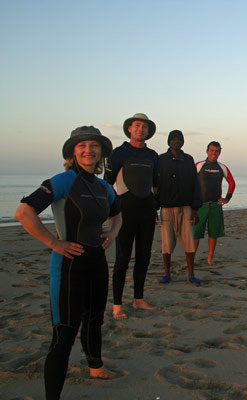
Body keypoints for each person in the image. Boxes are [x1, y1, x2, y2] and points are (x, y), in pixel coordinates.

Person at [14, 126, 121, 400]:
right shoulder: (62, 180)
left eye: (94, 145)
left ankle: (95, 367)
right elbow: (24, 212)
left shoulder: (103, 187)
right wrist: (54, 243)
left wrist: (112, 233)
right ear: (73, 151)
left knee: (95, 321)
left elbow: (118, 215)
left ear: (101, 153)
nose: (89, 150)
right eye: (82, 145)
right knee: (64, 335)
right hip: (68, 266)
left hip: (96, 264)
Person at [104, 113, 159, 320]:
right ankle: (117, 304)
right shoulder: (119, 153)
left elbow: (154, 186)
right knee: (122, 259)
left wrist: (155, 208)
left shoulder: (153, 155)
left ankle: (138, 300)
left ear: (148, 131)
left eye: (144, 127)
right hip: (124, 212)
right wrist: (111, 211)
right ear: (129, 129)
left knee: (144, 258)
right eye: (137, 126)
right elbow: (107, 184)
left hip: (146, 212)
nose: (140, 129)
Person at [157, 130, 202, 284]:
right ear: (169, 141)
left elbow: (196, 184)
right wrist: (154, 208)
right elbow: (155, 185)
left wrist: (196, 208)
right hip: (166, 209)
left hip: (186, 208)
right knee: (167, 244)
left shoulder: (188, 160)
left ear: (183, 142)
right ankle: (167, 273)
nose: (176, 141)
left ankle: (191, 274)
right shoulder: (161, 160)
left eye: (179, 139)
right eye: (173, 139)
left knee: (189, 243)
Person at [193, 141, 236, 265]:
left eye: (216, 151)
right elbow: (189, 182)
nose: (214, 153)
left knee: (213, 233)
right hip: (201, 206)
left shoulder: (222, 167)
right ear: (207, 151)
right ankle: (192, 258)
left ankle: (209, 258)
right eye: (211, 150)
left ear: (219, 152)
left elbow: (232, 183)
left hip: (216, 205)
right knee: (196, 233)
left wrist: (227, 199)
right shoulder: (199, 165)